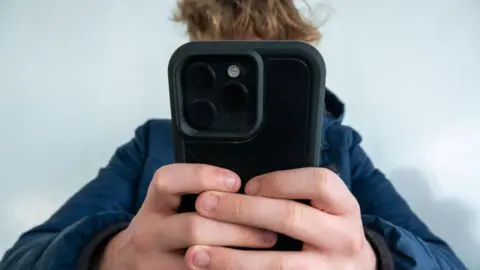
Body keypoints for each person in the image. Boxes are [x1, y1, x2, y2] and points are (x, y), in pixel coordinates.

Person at [0, 0, 466, 269]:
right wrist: (109, 255)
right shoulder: (150, 144)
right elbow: (20, 259)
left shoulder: (342, 147)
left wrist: (372, 259)